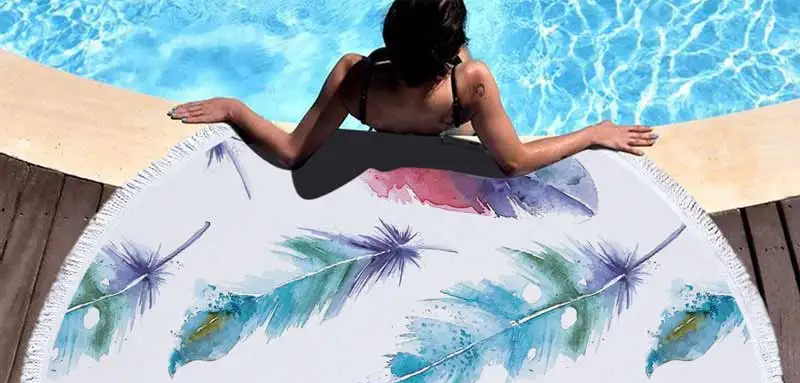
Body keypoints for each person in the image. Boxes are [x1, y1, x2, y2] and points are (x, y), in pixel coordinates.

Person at [168, 0, 658, 176]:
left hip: (386, 110)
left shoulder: (354, 76)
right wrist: (592, 133)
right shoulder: (472, 82)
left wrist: (235, 108)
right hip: (450, 126)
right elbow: (514, 161)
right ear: (452, 49)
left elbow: (292, 152)